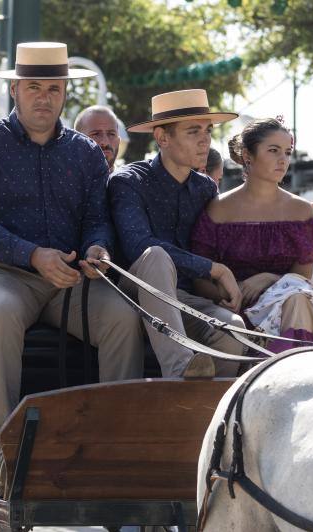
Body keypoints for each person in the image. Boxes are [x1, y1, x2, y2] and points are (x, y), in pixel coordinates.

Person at [0, 42, 144, 498]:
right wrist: (33, 255)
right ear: (15, 90)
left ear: (63, 95)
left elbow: (98, 217)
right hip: (2, 272)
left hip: (69, 280)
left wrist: (98, 247)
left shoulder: (84, 154)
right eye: (33, 87)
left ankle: (119, 452)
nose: (43, 97)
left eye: (53, 88)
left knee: (122, 316)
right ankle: (1, 456)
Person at [108, 89, 246, 378]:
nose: (205, 139)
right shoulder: (128, 181)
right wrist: (214, 270)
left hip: (185, 299)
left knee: (233, 328)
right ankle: (179, 368)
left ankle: (204, 415)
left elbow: (228, 233)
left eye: (208, 130)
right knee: (156, 256)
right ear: (162, 138)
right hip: (134, 292)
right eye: (193, 131)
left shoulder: (206, 188)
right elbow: (138, 246)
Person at [190, 117, 313, 353]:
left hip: (289, 308)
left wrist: (267, 278)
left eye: (288, 152)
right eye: (273, 150)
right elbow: (199, 279)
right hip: (233, 312)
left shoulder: (301, 211)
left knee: (298, 301)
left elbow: (301, 281)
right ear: (248, 155)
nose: (283, 160)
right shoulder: (219, 209)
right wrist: (231, 292)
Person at [74, 104, 121, 169]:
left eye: (111, 134)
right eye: (96, 134)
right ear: (77, 142)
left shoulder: (131, 178)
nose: (105, 142)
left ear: (118, 141)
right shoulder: (61, 178)